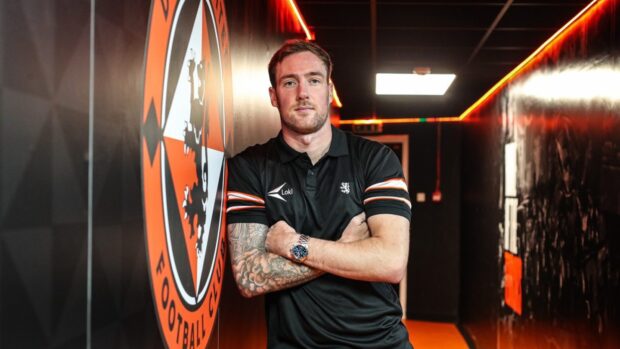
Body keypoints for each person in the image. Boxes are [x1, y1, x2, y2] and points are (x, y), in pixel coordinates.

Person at [226, 39, 412, 348]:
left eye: (313, 80)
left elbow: (390, 262)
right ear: (273, 96)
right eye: (289, 82)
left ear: (329, 90)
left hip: (381, 342)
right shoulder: (251, 167)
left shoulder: (374, 159)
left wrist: (295, 245)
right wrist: (344, 248)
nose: (303, 93)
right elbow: (248, 276)